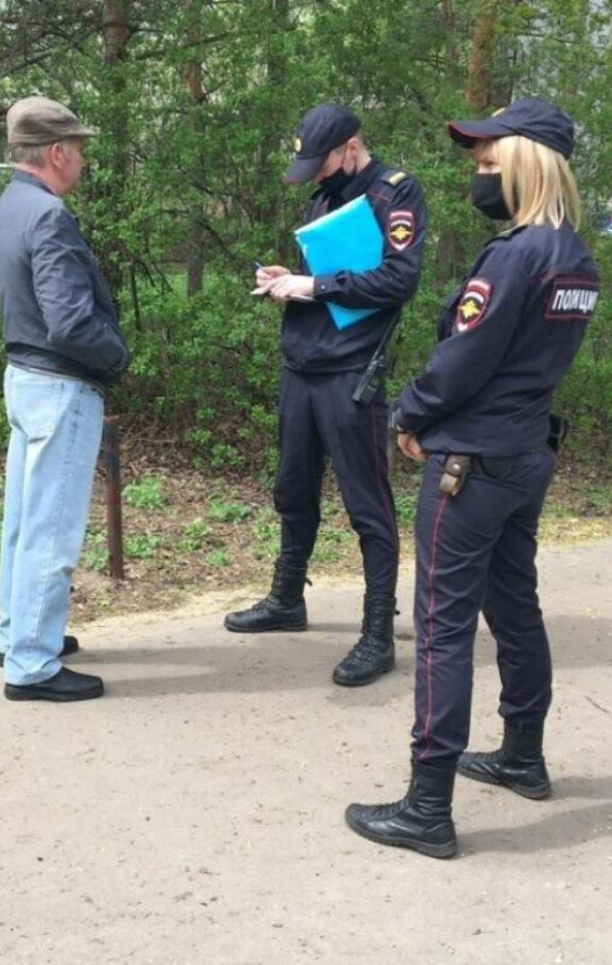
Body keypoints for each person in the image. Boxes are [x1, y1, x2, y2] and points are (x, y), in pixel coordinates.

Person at [345, 98, 600, 856]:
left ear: (528, 163)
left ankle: (428, 806)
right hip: (525, 454)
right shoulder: (574, 256)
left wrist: (408, 414)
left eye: (490, 162)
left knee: (442, 625)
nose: (479, 174)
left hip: (473, 464)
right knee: (514, 602)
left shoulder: (515, 255)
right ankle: (523, 753)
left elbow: (463, 360)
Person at [223, 103, 428, 687]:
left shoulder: (395, 194)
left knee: (368, 505)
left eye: (322, 162)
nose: (314, 174)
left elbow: (398, 279)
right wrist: (290, 282)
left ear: (352, 147)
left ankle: (377, 634)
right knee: (292, 488)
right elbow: (335, 281)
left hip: (350, 374)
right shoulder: (325, 197)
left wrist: (313, 283)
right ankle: (287, 598)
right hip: (303, 365)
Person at [0, 96, 130, 702]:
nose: (82, 159)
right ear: (56, 153)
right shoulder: (48, 215)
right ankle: (31, 665)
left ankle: (16, 634)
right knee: (51, 528)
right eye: (79, 148)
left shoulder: (10, 205)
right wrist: (117, 355)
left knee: (23, 521)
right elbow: (71, 324)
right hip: (59, 386)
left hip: (24, 378)